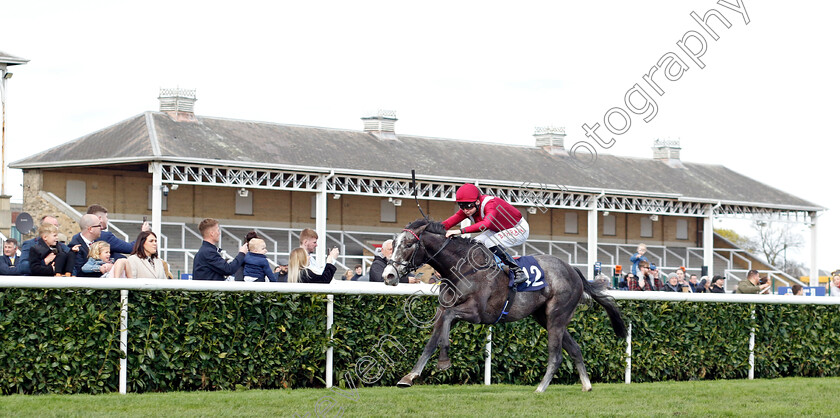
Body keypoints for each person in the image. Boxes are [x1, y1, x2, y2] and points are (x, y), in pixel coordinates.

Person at [441, 183, 529, 285]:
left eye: (469, 206)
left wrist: (459, 231)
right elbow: (447, 224)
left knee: (490, 243)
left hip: (518, 229)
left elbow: (486, 224)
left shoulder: (490, 204)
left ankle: (518, 271)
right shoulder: (468, 209)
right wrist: (427, 229)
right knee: (474, 244)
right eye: (462, 206)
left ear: (477, 201)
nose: (466, 210)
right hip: (498, 229)